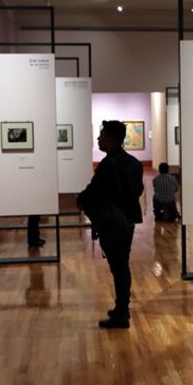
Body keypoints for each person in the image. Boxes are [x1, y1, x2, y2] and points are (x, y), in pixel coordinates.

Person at [78, 120, 144, 329]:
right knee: (121, 264)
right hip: (127, 221)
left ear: (111, 138)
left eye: (102, 135)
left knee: (119, 267)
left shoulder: (108, 164)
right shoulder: (134, 163)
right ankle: (121, 308)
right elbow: (138, 190)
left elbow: (95, 190)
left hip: (112, 222)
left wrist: (80, 200)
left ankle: (122, 313)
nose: (98, 139)